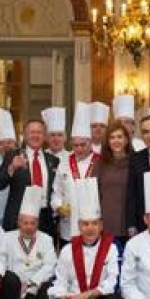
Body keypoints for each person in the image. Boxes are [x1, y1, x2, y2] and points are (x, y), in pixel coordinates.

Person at [40, 178, 124, 299]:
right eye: (85, 224)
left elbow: (112, 282)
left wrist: (87, 295)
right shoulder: (68, 249)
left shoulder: (112, 248)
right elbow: (60, 280)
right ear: (79, 226)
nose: (90, 228)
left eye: (94, 223)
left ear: (101, 225)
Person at [4, 186, 59, 299]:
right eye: (25, 223)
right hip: (14, 286)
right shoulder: (6, 238)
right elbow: (3, 264)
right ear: (19, 222)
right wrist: (18, 286)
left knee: (51, 288)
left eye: (33, 223)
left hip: (37, 284)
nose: (29, 227)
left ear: (38, 223)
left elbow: (50, 265)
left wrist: (30, 283)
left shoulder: (46, 239)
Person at [0, 118, 60, 234]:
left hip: (45, 221)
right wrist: (12, 168)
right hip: (18, 219)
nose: (35, 135)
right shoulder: (12, 155)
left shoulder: (53, 160)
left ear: (44, 136)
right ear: (25, 135)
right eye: (32, 132)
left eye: (39, 132)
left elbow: (57, 190)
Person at [52, 102, 98, 244]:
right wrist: (58, 207)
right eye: (75, 145)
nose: (79, 149)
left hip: (93, 225)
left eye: (83, 145)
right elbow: (57, 192)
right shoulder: (64, 162)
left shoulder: (100, 162)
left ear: (90, 142)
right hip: (69, 226)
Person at [95, 122, 133, 243]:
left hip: (130, 224)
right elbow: (94, 194)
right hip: (106, 224)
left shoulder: (136, 162)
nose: (116, 141)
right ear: (107, 141)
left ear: (126, 140)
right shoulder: (100, 164)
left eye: (119, 137)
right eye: (112, 137)